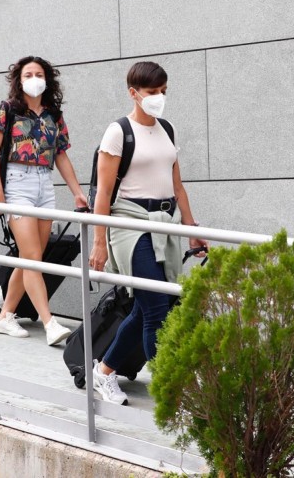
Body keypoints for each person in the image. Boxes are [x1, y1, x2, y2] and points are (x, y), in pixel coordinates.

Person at [88, 61, 209, 404]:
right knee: (156, 309)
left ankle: (104, 371)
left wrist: (191, 229)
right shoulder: (118, 132)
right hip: (130, 225)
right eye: (152, 92)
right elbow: (103, 193)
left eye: (163, 91)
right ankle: (172, 389)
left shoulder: (167, 129)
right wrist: (99, 242)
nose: (159, 97)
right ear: (134, 93)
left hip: (163, 223)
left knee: (147, 308)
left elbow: (177, 186)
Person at [0, 55, 87, 346]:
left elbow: (61, 155)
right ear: (19, 81)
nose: (34, 79)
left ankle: (5, 316)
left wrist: (77, 191)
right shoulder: (8, 109)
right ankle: (49, 322)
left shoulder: (53, 114)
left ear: (47, 79)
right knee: (31, 258)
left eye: (38, 74)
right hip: (17, 183)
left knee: (32, 258)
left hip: (45, 184)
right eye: (27, 75)